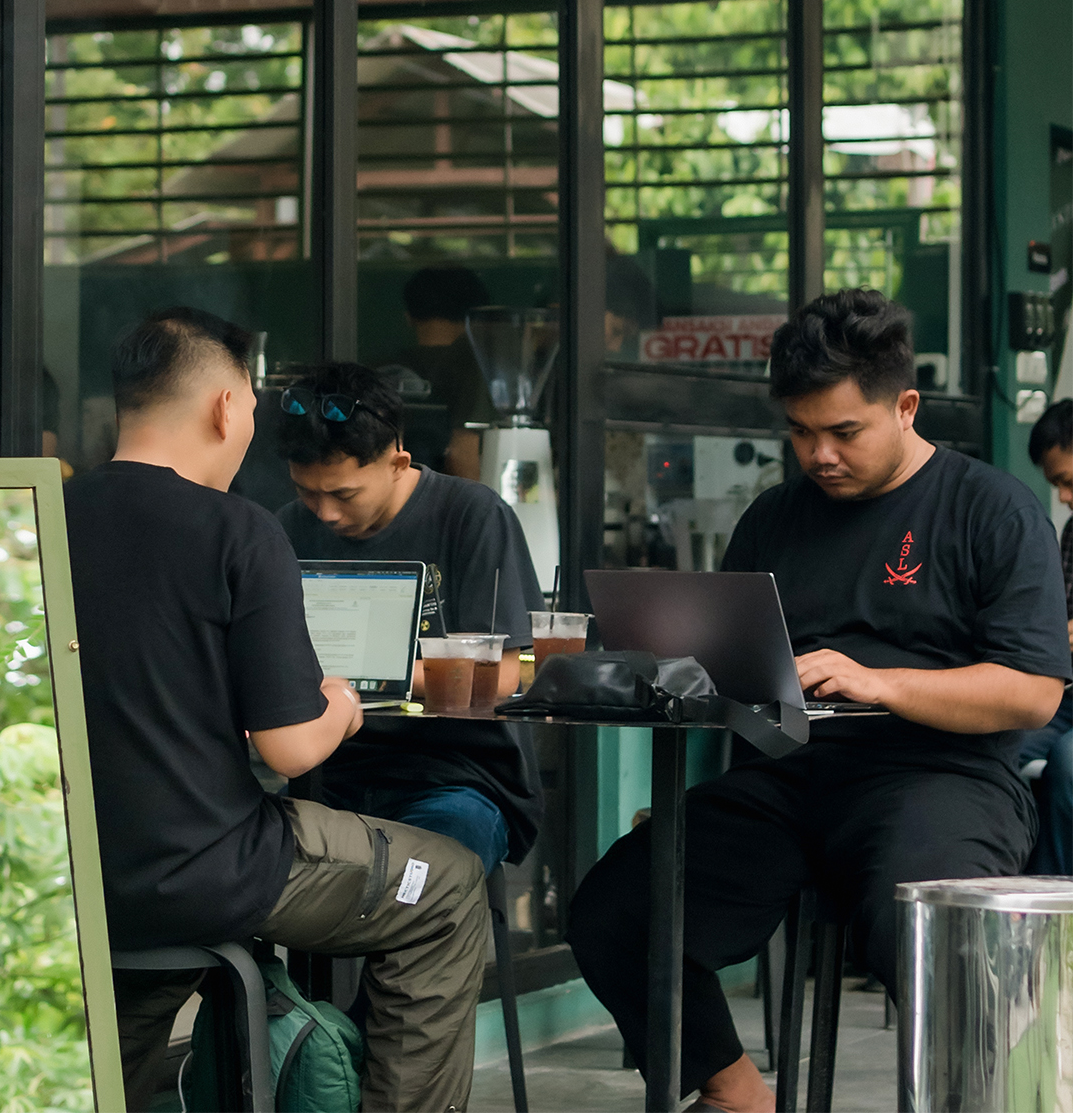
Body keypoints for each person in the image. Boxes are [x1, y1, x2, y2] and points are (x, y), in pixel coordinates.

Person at [566, 289, 1069, 1113]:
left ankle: (991, 1098)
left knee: (927, 925)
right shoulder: (773, 517)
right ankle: (736, 1095)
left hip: (942, 777)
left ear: (905, 407)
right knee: (617, 907)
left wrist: (880, 682)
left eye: (843, 432)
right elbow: (727, 666)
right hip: (787, 777)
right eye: (800, 432)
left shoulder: (990, 509)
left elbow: (1033, 693)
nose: (819, 454)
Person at [64, 308, 487, 1113]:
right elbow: (291, 748)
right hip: (213, 869)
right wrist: (340, 706)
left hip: (77, 873)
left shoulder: (46, 521)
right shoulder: (237, 530)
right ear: (227, 407)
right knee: (448, 886)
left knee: (125, 1008)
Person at [275, 361, 545, 878]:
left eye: (344, 494)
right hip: (328, 774)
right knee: (250, 873)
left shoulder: (472, 516)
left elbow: (512, 675)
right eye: (307, 492)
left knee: (417, 885)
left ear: (398, 463)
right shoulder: (288, 528)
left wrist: (362, 679)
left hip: (458, 777)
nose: (325, 513)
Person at [1021, 398, 1072, 874]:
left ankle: (1052, 898)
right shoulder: (1071, 533)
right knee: (995, 745)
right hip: (1065, 697)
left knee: (1068, 763)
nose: (1063, 497)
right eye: (1056, 485)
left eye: (1068, 482)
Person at [386, 265, 494, 480]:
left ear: (409, 317)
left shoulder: (385, 371)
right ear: (476, 318)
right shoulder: (479, 369)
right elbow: (463, 453)